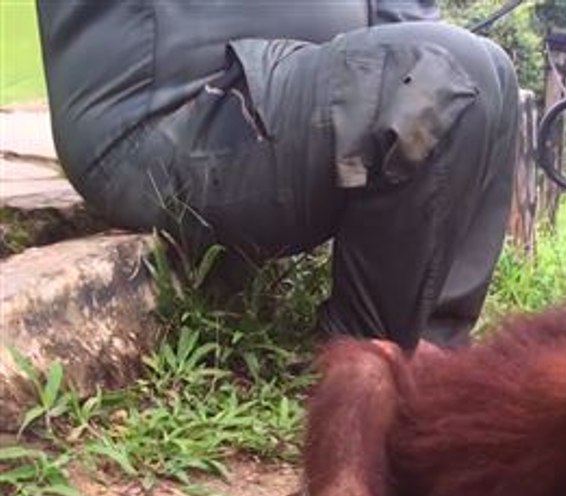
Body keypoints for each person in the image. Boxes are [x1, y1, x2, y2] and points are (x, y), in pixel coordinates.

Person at [36, 1, 518, 348]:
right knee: (447, 69)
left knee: (489, 66)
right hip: (166, 124)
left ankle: (434, 351)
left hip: (272, 92)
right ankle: (359, 369)